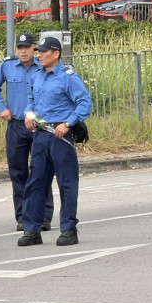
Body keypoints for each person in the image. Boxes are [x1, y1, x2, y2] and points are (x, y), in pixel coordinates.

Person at [18, 36, 93, 248]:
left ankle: (68, 228)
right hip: (41, 135)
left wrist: (68, 123)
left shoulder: (68, 77)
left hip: (60, 135)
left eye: (43, 52)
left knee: (66, 183)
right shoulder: (37, 76)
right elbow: (30, 100)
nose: (39, 55)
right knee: (35, 183)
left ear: (56, 54)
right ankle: (31, 229)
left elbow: (85, 103)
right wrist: (28, 115)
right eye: (38, 51)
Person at [0, 32, 53, 232]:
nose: (23, 51)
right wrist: (1, 107)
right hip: (16, 125)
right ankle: (24, 216)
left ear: (34, 48)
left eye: (27, 47)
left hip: (38, 126)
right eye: (20, 48)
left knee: (41, 171)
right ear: (16, 49)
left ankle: (43, 216)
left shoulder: (42, 65)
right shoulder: (7, 66)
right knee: (18, 172)